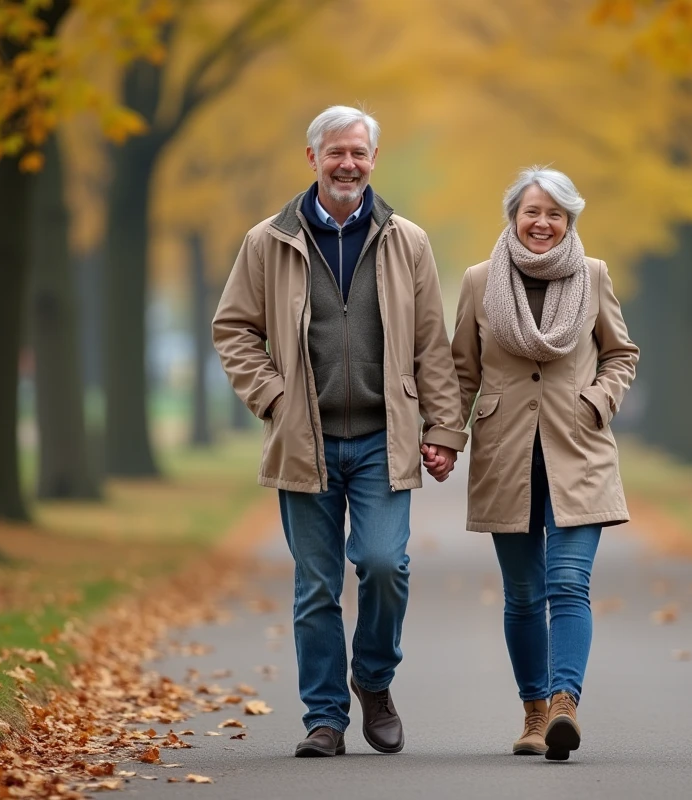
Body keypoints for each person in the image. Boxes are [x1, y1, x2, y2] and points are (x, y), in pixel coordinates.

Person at [213, 106, 467, 758]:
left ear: (373, 159)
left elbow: (430, 343)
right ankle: (324, 718)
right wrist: (274, 397)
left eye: (358, 152)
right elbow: (233, 329)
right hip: (306, 438)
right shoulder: (268, 241)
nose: (347, 164)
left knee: (384, 565)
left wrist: (444, 428)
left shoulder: (407, 240)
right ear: (313, 158)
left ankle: (373, 680)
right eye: (335, 152)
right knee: (317, 587)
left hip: (384, 436)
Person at [450, 167, 639, 761]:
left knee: (568, 583)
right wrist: (445, 437)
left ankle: (563, 704)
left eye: (555, 213)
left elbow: (620, 354)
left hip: (578, 452)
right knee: (525, 594)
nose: (542, 223)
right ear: (513, 216)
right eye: (532, 211)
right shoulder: (479, 281)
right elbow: (462, 371)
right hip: (505, 454)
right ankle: (533, 712)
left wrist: (597, 401)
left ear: (569, 220)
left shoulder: (594, 275)